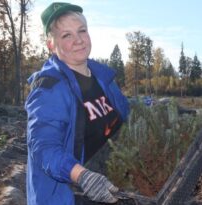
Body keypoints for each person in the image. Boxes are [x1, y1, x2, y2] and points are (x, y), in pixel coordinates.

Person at [25, 2, 129, 205]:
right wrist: (82, 176)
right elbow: (43, 147)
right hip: (71, 196)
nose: (78, 40)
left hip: (110, 185)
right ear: (51, 45)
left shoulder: (102, 77)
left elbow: (124, 113)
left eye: (82, 31)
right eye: (66, 35)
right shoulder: (49, 88)